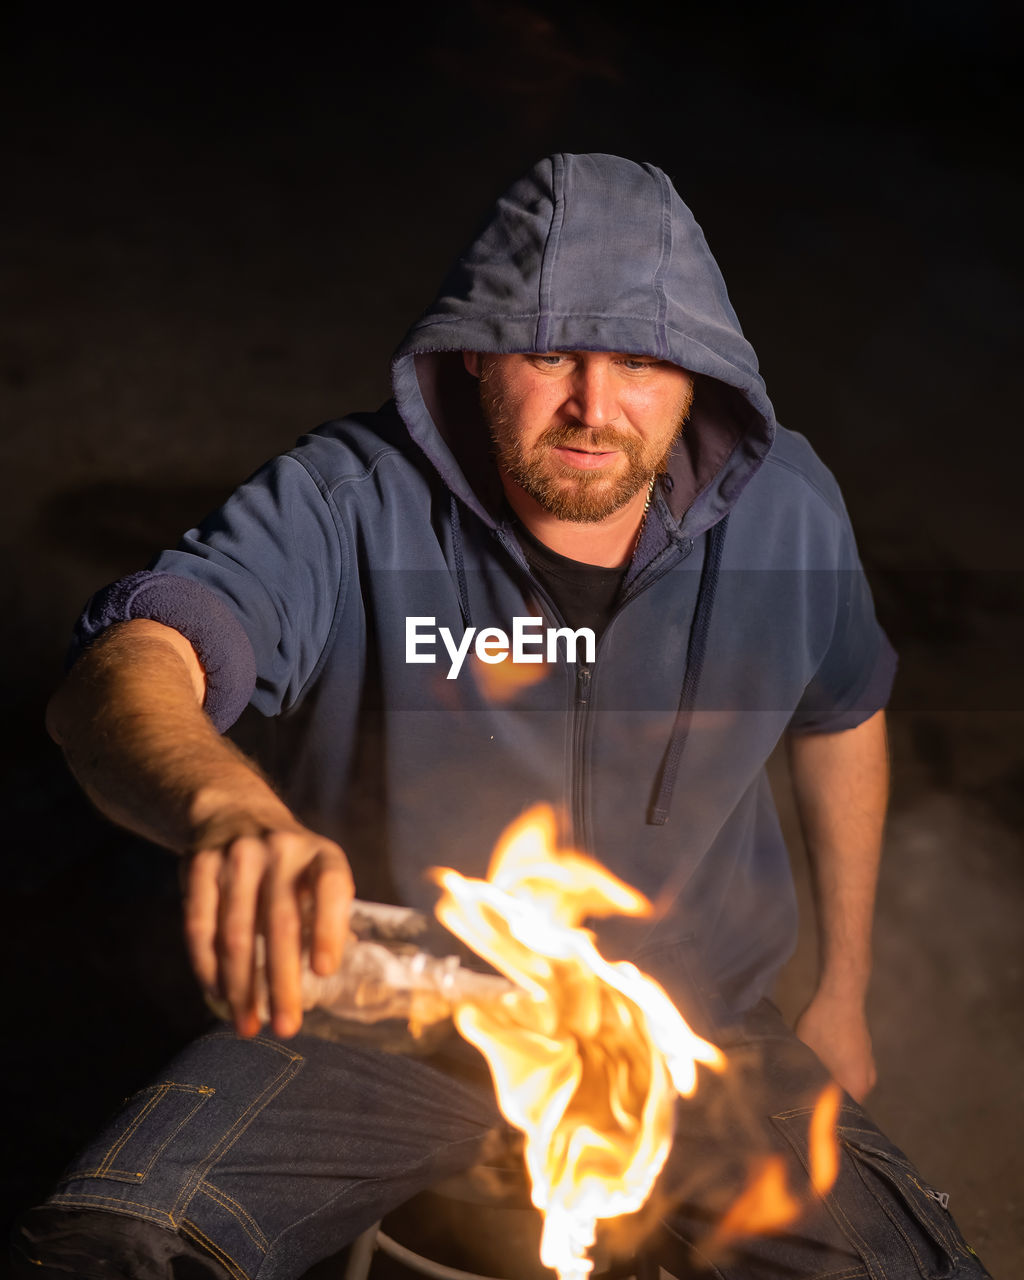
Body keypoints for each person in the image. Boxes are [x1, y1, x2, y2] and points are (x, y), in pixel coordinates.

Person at [14, 154, 989, 1279]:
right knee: (114, 1242)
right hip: (380, 1018)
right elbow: (130, 663)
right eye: (548, 351)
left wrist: (843, 990)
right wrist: (226, 804)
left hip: (689, 1022)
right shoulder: (347, 500)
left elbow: (842, 712)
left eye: (640, 360)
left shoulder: (788, 512)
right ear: (473, 352)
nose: (593, 405)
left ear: (701, 376)